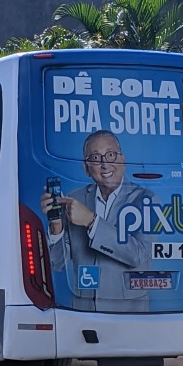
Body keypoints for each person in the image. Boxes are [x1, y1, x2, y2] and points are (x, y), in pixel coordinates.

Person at [40, 130, 156, 312]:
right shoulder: (75, 198)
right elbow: (57, 264)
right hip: (82, 314)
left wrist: (91, 221)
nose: (104, 164)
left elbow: (139, 256)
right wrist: (56, 228)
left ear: (123, 160)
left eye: (110, 155)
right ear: (86, 168)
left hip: (130, 313)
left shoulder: (145, 198)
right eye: (95, 158)